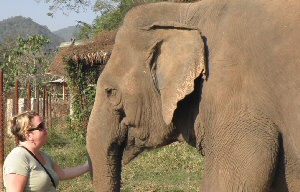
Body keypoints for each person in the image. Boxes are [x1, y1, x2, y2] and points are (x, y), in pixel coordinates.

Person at [3, 111, 90, 192]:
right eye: (41, 126)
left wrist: (88, 166)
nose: (46, 128)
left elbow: (62, 174)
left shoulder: (42, 156)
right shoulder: (17, 159)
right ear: (28, 135)